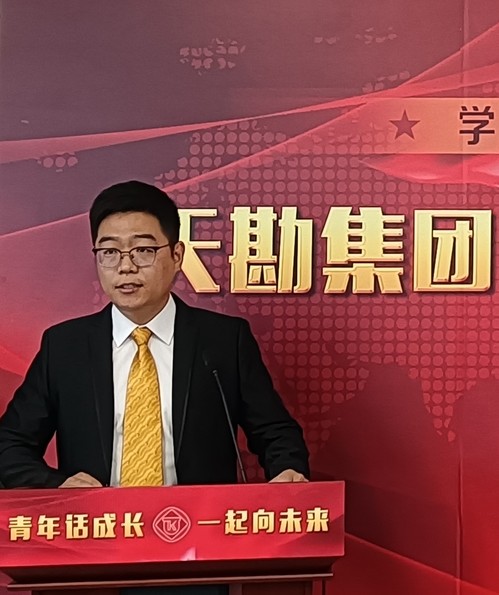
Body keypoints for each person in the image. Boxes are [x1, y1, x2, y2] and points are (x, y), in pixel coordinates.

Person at [0, 180, 309, 490]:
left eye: (143, 250)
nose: (125, 266)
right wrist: (58, 485)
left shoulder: (224, 341)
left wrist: (287, 470)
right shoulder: (65, 347)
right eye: (109, 251)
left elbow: (276, 433)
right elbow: (9, 445)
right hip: (97, 518)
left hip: (200, 518)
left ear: (177, 256)